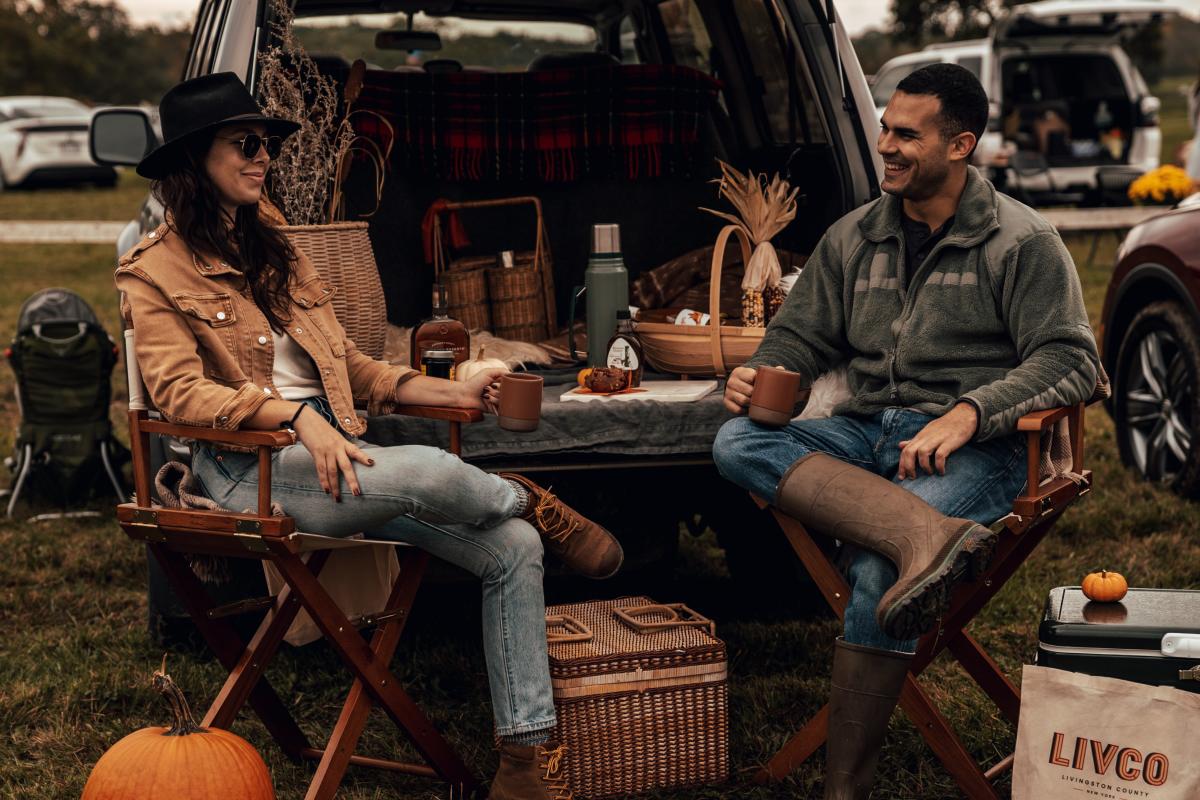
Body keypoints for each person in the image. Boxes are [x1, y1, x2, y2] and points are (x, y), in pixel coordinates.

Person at [115, 72, 623, 800]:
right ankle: (526, 495)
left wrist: (446, 390)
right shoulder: (152, 272)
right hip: (246, 470)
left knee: (514, 549)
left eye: (268, 145)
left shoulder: (277, 245)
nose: (264, 158)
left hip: (335, 450)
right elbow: (181, 396)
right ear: (194, 160)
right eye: (247, 144)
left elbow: (354, 367)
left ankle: (524, 762)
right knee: (430, 474)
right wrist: (296, 418)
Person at [712, 63, 1099, 799]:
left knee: (879, 580)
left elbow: (1071, 359)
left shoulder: (1022, 242)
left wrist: (971, 411)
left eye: (906, 134)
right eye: (884, 128)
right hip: (865, 433)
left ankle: (843, 789)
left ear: (961, 145)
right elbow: (799, 338)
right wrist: (759, 371)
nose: (885, 145)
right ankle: (923, 535)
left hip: (978, 448)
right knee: (738, 441)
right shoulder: (854, 236)